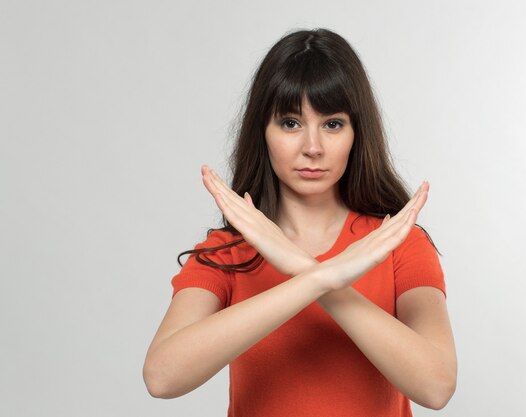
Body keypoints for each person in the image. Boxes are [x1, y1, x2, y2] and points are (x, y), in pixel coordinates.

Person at [143, 28, 457, 416]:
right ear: (263, 132)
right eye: (290, 123)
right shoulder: (228, 252)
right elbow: (162, 377)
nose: (313, 147)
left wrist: (302, 270)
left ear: (358, 134)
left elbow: (436, 385)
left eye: (333, 124)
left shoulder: (397, 244)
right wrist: (319, 277)